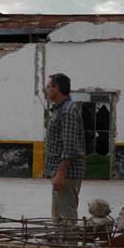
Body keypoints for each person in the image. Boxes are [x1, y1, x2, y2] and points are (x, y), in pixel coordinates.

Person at [43, 73, 85, 229]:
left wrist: (60, 174)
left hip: (67, 174)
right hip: (59, 172)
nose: (46, 89)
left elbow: (69, 146)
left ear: (57, 88)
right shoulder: (59, 109)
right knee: (58, 215)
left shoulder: (68, 111)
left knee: (66, 216)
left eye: (48, 86)